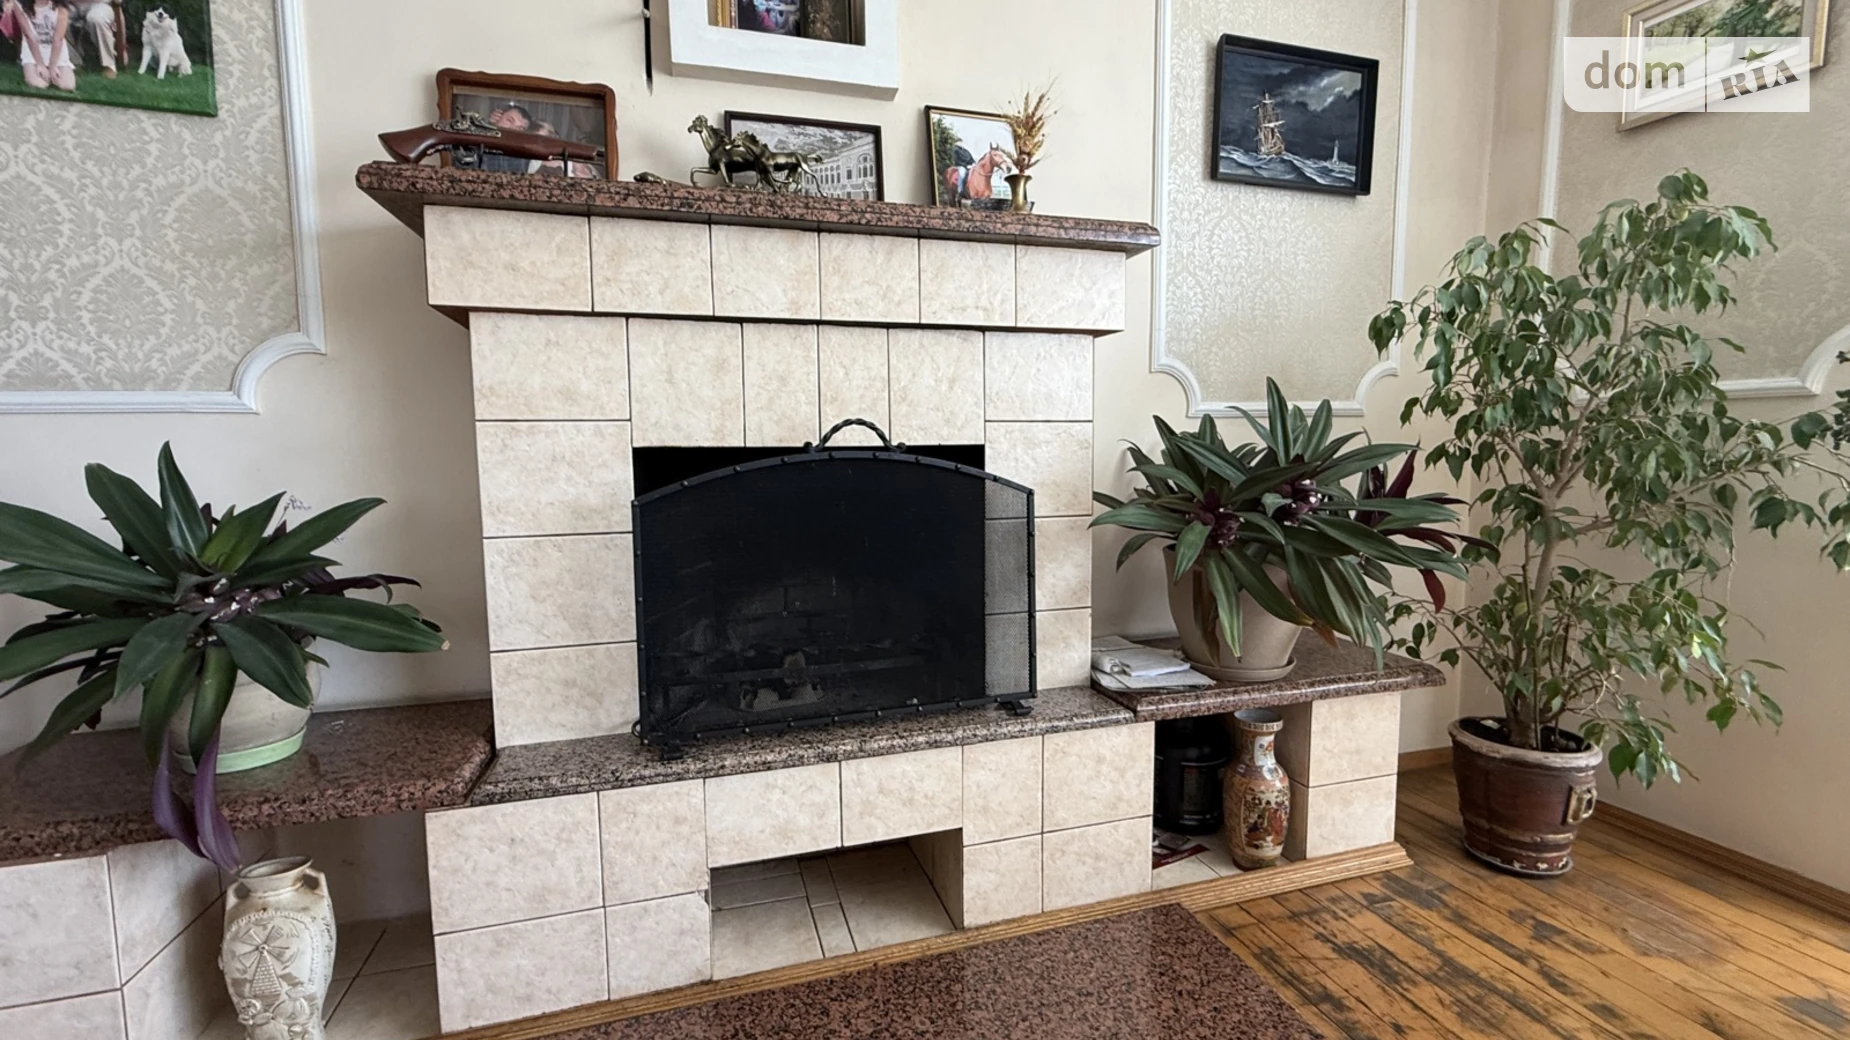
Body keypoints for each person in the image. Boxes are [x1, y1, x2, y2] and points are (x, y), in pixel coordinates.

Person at [4, 0, 76, 92]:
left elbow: (58, 38)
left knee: (67, 86)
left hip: (55, 50)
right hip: (33, 50)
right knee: (39, 84)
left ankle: (54, 70)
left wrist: (53, 66)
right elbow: (29, 35)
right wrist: (40, 64)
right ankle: (34, 69)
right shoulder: (19, 5)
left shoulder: (61, 6)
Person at [476, 103, 534, 174]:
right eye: (509, 121)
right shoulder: (478, 142)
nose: (512, 129)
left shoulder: (523, 155)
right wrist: (490, 126)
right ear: (497, 117)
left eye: (520, 128)